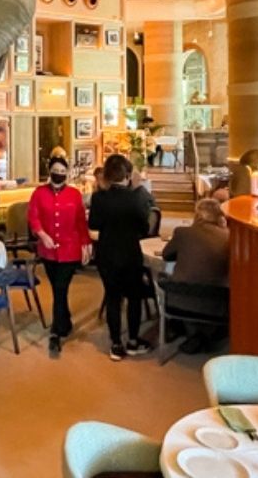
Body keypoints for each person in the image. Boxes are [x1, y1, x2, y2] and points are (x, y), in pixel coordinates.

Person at [89, 154, 154, 361]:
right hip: (130, 253)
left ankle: (116, 343)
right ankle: (133, 341)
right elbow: (144, 228)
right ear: (127, 175)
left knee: (113, 297)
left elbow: (94, 226)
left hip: (107, 253)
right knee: (134, 297)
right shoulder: (136, 198)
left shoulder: (99, 198)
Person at [28, 155, 90, 359]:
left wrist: (86, 244)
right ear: (49, 171)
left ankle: (55, 333)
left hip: (70, 250)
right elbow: (33, 217)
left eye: (63, 172)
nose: (59, 175)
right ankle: (66, 321)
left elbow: (81, 222)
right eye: (56, 171)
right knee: (57, 288)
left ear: (67, 174)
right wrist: (42, 235)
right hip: (47, 250)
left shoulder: (74, 194)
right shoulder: (38, 193)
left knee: (61, 287)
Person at [162, 199, 230, 353]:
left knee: (166, 275)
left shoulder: (182, 232)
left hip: (178, 301)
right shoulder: (229, 238)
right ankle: (203, 335)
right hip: (216, 306)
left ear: (197, 216)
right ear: (220, 217)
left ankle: (193, 334)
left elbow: (167, 255)